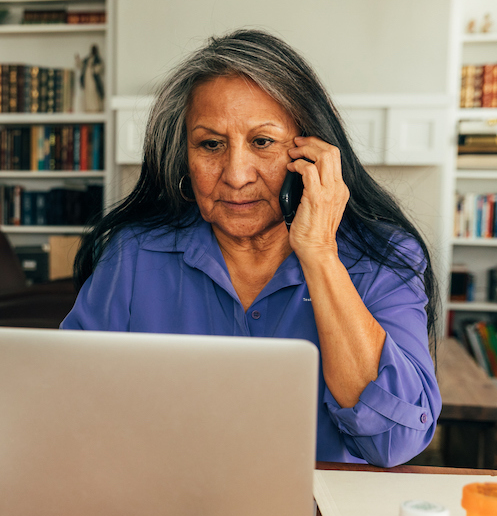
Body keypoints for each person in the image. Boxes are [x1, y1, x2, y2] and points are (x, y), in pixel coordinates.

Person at [62, 29, 441, 468]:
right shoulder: (134, 254)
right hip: (165, 512)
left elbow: (394, 443)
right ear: (183, 155)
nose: (236, 174)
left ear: (311, 153)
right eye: (210, 144)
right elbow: (71, 406)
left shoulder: (382, 259)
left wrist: (320, 254)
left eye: (262, 142)